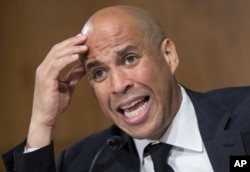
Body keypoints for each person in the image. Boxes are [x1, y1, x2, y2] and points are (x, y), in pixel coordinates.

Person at [2, 5, 250, 172]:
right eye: (99, 73)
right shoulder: (85, 163)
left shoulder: (245, 118)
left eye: (129, 59)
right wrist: (41, 124)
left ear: (168, 55)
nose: (119, 85)